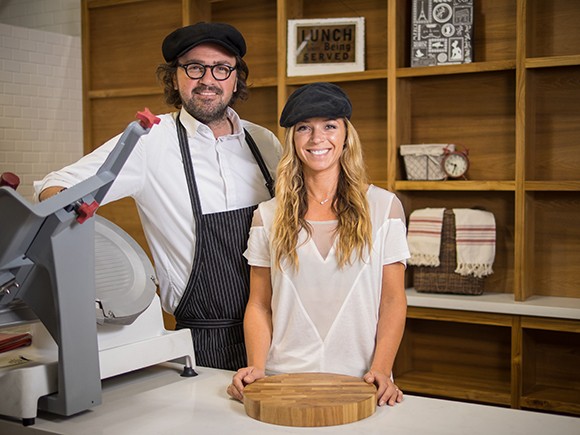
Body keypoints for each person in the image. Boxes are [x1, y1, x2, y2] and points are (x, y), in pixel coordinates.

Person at [34, 22, 282, 371]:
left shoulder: (264, 142)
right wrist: (71, 219)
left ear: (236, 77)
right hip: (204, 340)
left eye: (222, 68)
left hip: (281, 329)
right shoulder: (149, 143)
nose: (208, 79)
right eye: (195, 67)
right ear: (175, 76)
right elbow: (55, 186)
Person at [227, 82, 409, 407]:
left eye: (329, 125)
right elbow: (258, 304)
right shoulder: (267, 216)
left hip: (362, 383)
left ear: (345, 135)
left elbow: (393, 301)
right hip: (284, 381)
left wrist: (382, 369)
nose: (317, 138)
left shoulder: (384, 207)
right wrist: (256, 366)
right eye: (304, 128)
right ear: (293, 139)